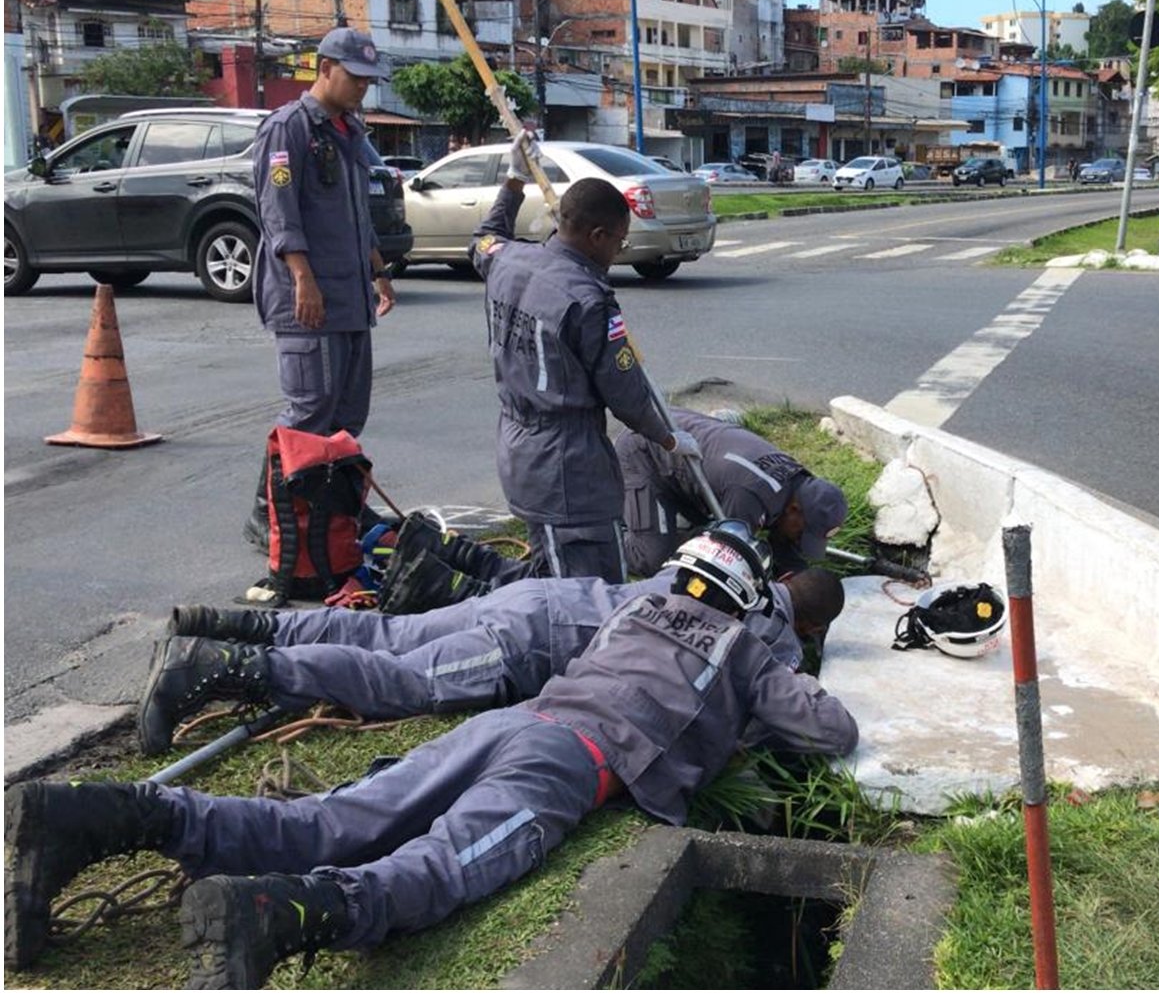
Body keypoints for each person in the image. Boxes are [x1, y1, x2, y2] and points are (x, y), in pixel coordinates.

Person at [5, 523, 858, 988]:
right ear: (752, 601)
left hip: (516, 721)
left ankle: (86, 815)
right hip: (568, 762)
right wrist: (779, 676)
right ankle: (270, 916)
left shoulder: (633, 612)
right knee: (443, 867)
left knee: (332, 817)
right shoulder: (748, 649)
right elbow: (832, 732)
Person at [137, 562, 845, 753]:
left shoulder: (725, 570)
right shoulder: (770, 641)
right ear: (807, 625)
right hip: (524, 646)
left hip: (535, 599)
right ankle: (210, 668)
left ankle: (218, 626)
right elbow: (768, 718)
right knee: (400, 682)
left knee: (385, 635)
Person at [469, 130, 700, 583]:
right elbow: (627, 395)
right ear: (596, 236)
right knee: (589, 596)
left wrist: (514, 181)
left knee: (548, 577)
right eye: (618, 241)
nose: (618, 252)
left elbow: (485, 237)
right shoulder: (589, 301)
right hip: (569, 472)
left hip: (518, 452)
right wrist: (669, 438)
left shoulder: (508, 261)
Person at [243, 27, 397, 551]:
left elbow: (355, 212)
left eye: (369, 81)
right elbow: (277, 212)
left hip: (350, 295)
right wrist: (302, 279)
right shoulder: (288, 129)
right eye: (355, 78)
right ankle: (270, 511)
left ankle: (339, 504)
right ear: (324, 68)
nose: (363, 89)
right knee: (309, 412)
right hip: (307, 299)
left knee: (347, 415)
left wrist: (378, 268)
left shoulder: (348, 130)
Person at [615, 406, 848, 578]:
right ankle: (608, 532)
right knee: (653, 559)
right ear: (795, 509)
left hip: (686, 445)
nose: (798, 540)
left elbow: (784, 543)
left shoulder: (796, 484)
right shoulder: (749, 497)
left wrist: (796, 578)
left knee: (700, 529)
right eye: (802, 534)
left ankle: (656, 519)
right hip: (646, 450)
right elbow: (728, 563)